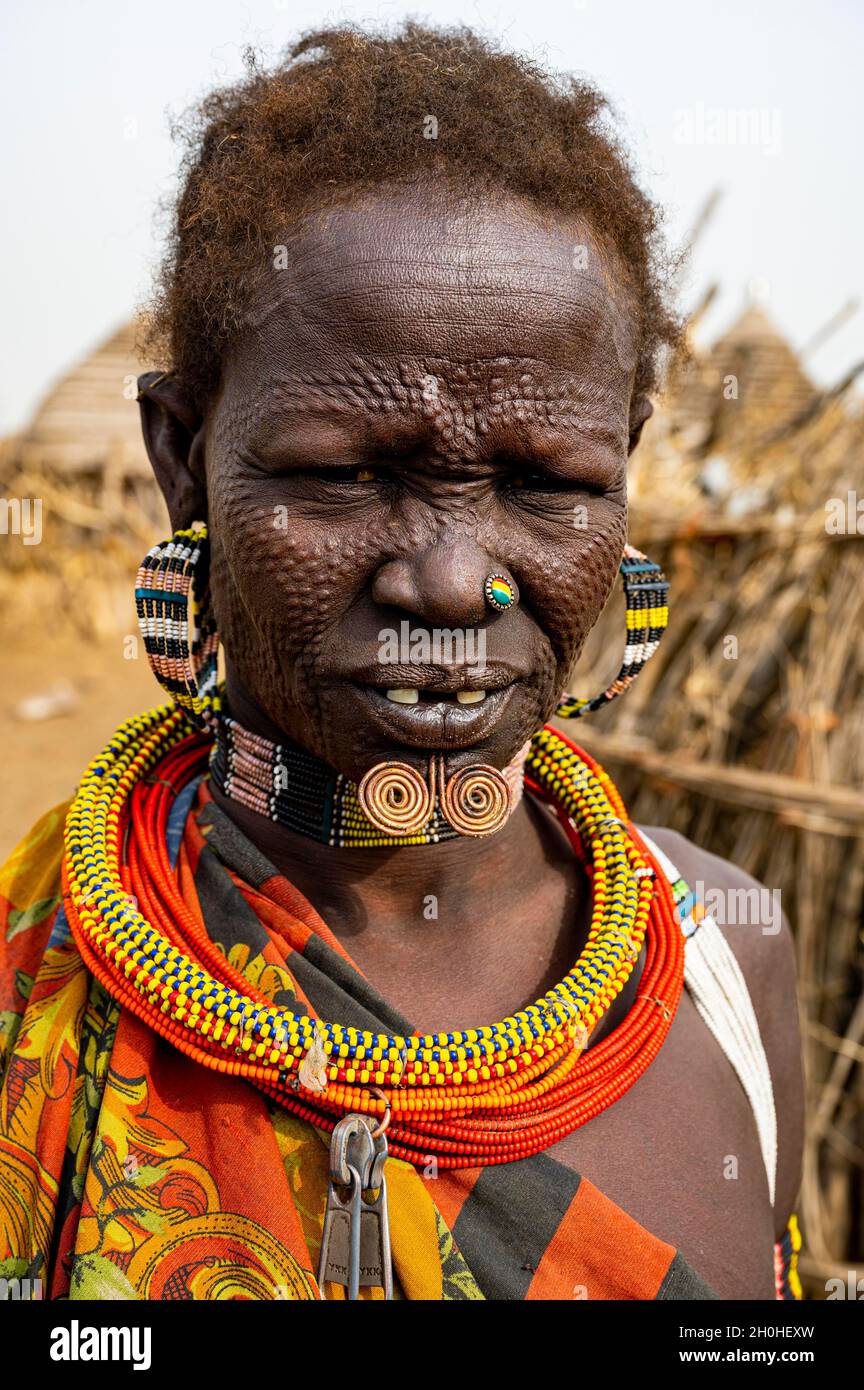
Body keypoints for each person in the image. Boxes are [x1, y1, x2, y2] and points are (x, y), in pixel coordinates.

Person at [0, 23, 803, 1301]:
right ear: (179, 458)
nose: (448, 578)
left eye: (549, 484)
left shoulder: (722, 971)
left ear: (630, 466)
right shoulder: (27, 979)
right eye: (342, 472)